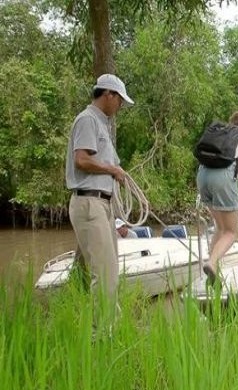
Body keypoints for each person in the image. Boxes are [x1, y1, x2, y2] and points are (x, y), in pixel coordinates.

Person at [65, 73, 134, 325]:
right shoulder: (87, 120)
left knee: (102, 271)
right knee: (105, 275)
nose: (121, 106)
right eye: (120, 101)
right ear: (108, 94)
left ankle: (95, 326)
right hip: (89, 203)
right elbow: (81, 159)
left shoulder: (100, 123)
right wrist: (112, 170)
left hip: (100, 204)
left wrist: (114, 172)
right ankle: (103, 335)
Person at [197, 111, 238, 284]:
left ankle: (212, 269)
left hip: (202, 175)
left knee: (220, 227)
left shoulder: (222, 133)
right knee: (231, 232)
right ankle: (211, 263)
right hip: (223, 178)